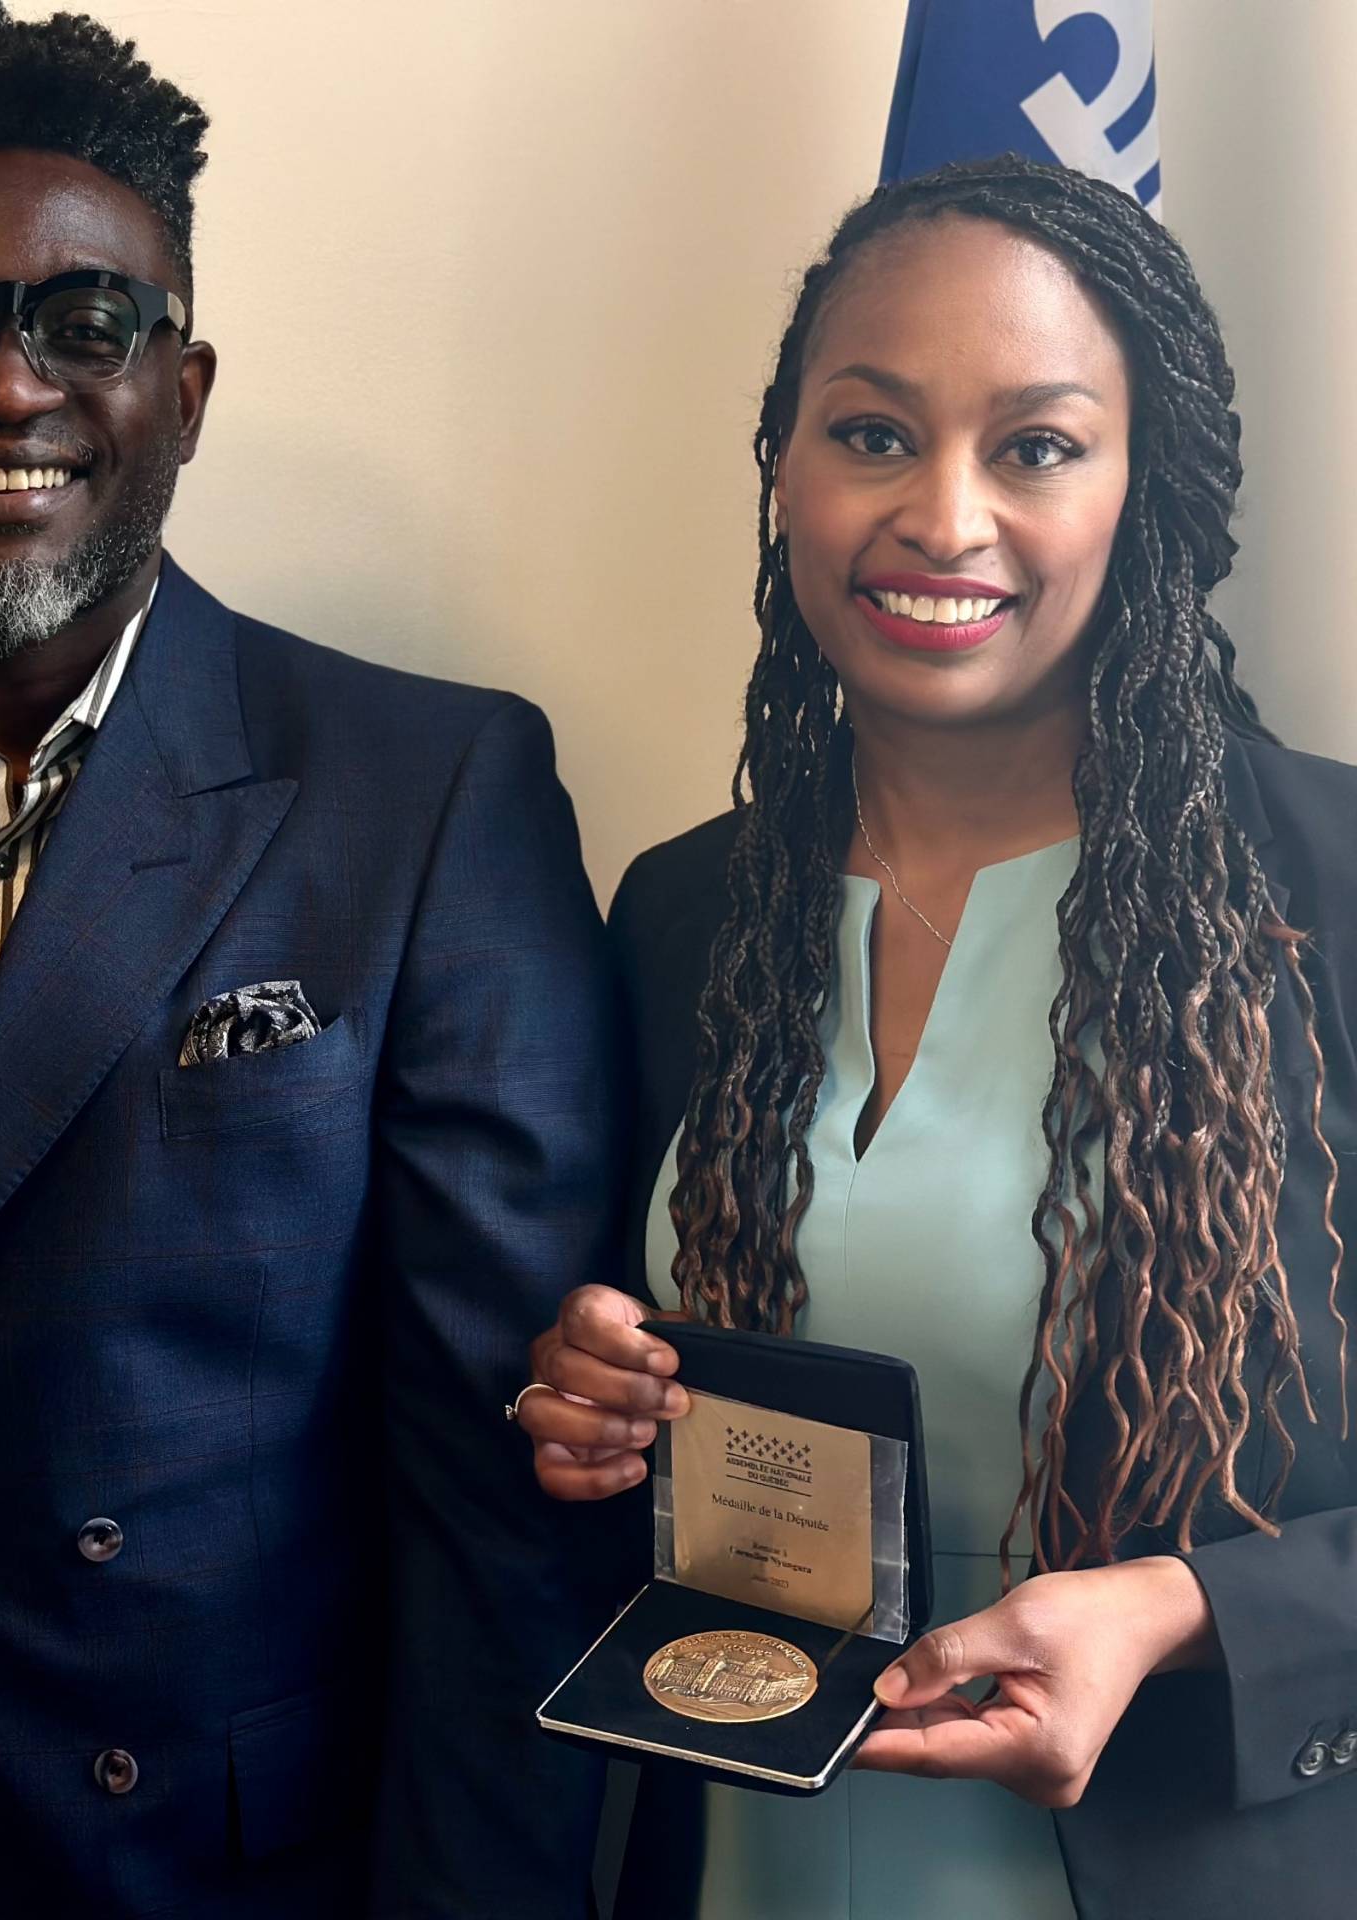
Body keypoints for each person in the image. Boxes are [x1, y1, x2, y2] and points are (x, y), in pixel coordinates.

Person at [0, 5, 627, 1913]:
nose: (6, 384)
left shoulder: (424, 793)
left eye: (86, 322)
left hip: (222, 1871)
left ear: (189, 383)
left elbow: (506, 1504)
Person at [517, 155, 1357, 1918]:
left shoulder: (1332, 891)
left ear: (1150, 491)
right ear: (787, 472)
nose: (944, 518)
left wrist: (1180, 1610)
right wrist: (588, 1393)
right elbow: (623, 1390)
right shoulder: (686, 914)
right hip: (740, 1854)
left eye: (1037, 446)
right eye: (874, 434)